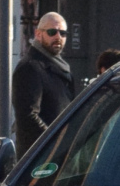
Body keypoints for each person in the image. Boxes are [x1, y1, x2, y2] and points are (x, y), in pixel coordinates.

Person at [11, 11, 76, 154]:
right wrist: (55, 143)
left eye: (63, 33)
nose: (58, 37)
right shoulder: (30, 67)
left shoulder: (62, 67)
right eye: (52, 32)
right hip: (41, 157)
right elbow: (27, 117)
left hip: (59, 154)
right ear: (38, 34)